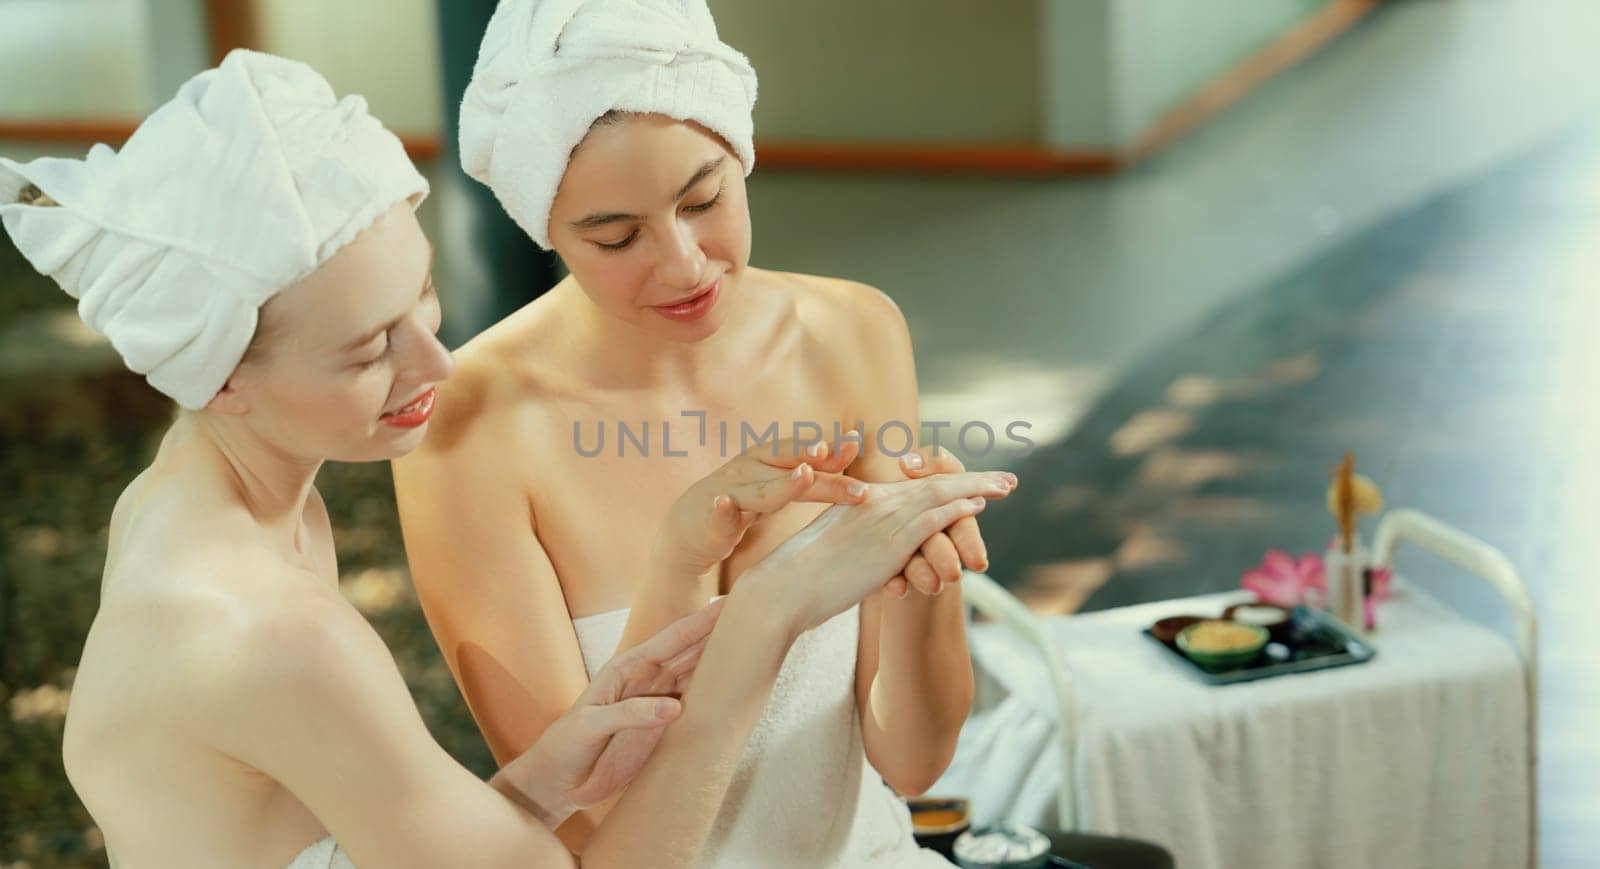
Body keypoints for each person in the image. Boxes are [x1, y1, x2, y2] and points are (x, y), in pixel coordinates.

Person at [0, 49, 1016, 868]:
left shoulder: (225, 507)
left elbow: (421, 828)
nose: (437, 361)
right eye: (369, 347)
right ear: (218, 375)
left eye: (422, 299)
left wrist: (546, 765)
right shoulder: (267, 630)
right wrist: (763, 612)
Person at [391, 0, 1005, 864]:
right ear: (547, 231)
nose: (683, 265)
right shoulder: (471, 429)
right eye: (615, 236)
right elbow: (591, 826)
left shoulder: (854, 331)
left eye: (704, 198)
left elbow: (910, 761)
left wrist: (925, 581)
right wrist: (683, 566)